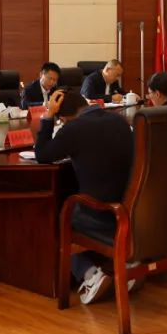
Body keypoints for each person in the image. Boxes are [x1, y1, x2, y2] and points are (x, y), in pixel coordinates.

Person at [35, 89, 134, 304]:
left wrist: (48, 116)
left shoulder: (74, 128)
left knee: (55, 216)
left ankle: (89, 274)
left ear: (63, 117)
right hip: (128, 209)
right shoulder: (118, 120)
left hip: (100, 215)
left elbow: (42, 154)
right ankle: (127, 266)